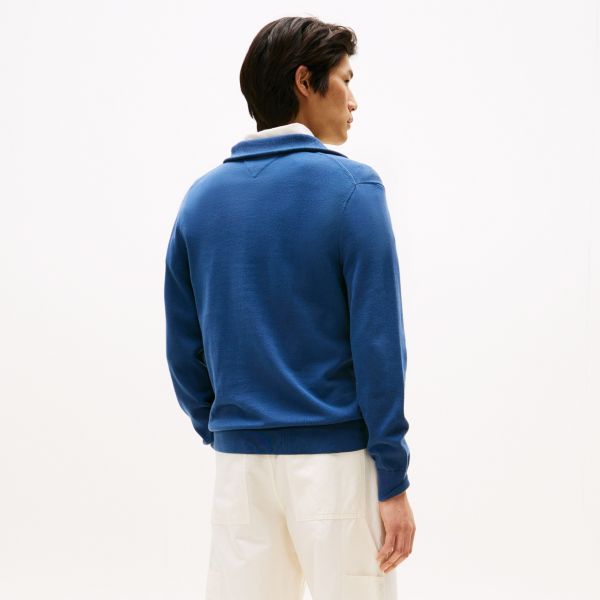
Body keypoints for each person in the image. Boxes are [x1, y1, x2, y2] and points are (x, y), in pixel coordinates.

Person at [164, 15, 416, 600]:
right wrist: (393, 476)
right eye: (345, 80)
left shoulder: (200, 200)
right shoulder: (353, 190)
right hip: (336, 464)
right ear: (306, 81)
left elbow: (182, 347)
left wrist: (225, 427)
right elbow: (378, 346)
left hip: (241, 471)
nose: (353, 100)